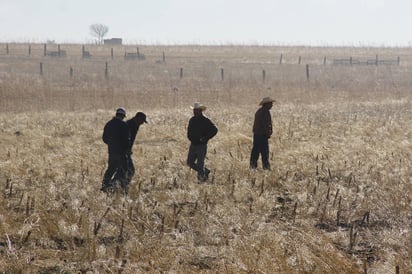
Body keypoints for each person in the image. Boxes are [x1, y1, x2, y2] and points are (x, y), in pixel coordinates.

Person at [101, 107, 130, 193]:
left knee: (111, 169)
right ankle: (120, 187)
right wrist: (127, 150)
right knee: (124, 170)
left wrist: (111, 145)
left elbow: (104, 138)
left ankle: (104, 185)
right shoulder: (124, 125)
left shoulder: (108, 124)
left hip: (111, 151)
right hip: (122, 152)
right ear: (123, 116)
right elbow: (127, 140)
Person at [187, 102, 218, 182]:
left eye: (196, 110)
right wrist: (190, 137)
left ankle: (201, 180)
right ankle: (206, 171)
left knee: (200, 164)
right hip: (193, 144)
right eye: (194, 110)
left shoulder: (206, 120)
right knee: (190, 162)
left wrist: (205, 138)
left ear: (200, 111)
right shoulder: (192, 120)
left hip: (201, 145)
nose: (194, 112)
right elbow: (189, 130)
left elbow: (215, 130)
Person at [250, 97, 275, 170]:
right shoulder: (265, 112)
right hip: (262, 136)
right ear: (266, 104)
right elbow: (266, 125)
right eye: (270, 104)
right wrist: (268, 133)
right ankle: (266, 168)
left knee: (255, 152)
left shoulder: (260, 111)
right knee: (264, 153)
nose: (272, 105)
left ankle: (252, 167)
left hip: (257, 135)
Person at [124, 111, 147, 187]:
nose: (142, 123)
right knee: (130, 170)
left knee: (124, 171)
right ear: (137, 118)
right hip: (123, 151)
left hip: (126, 151)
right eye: (142, 121)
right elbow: (124, 139)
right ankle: (122, 186)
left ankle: (119, 186)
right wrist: (126, 149)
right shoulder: (129, 125)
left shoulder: (134, 125)